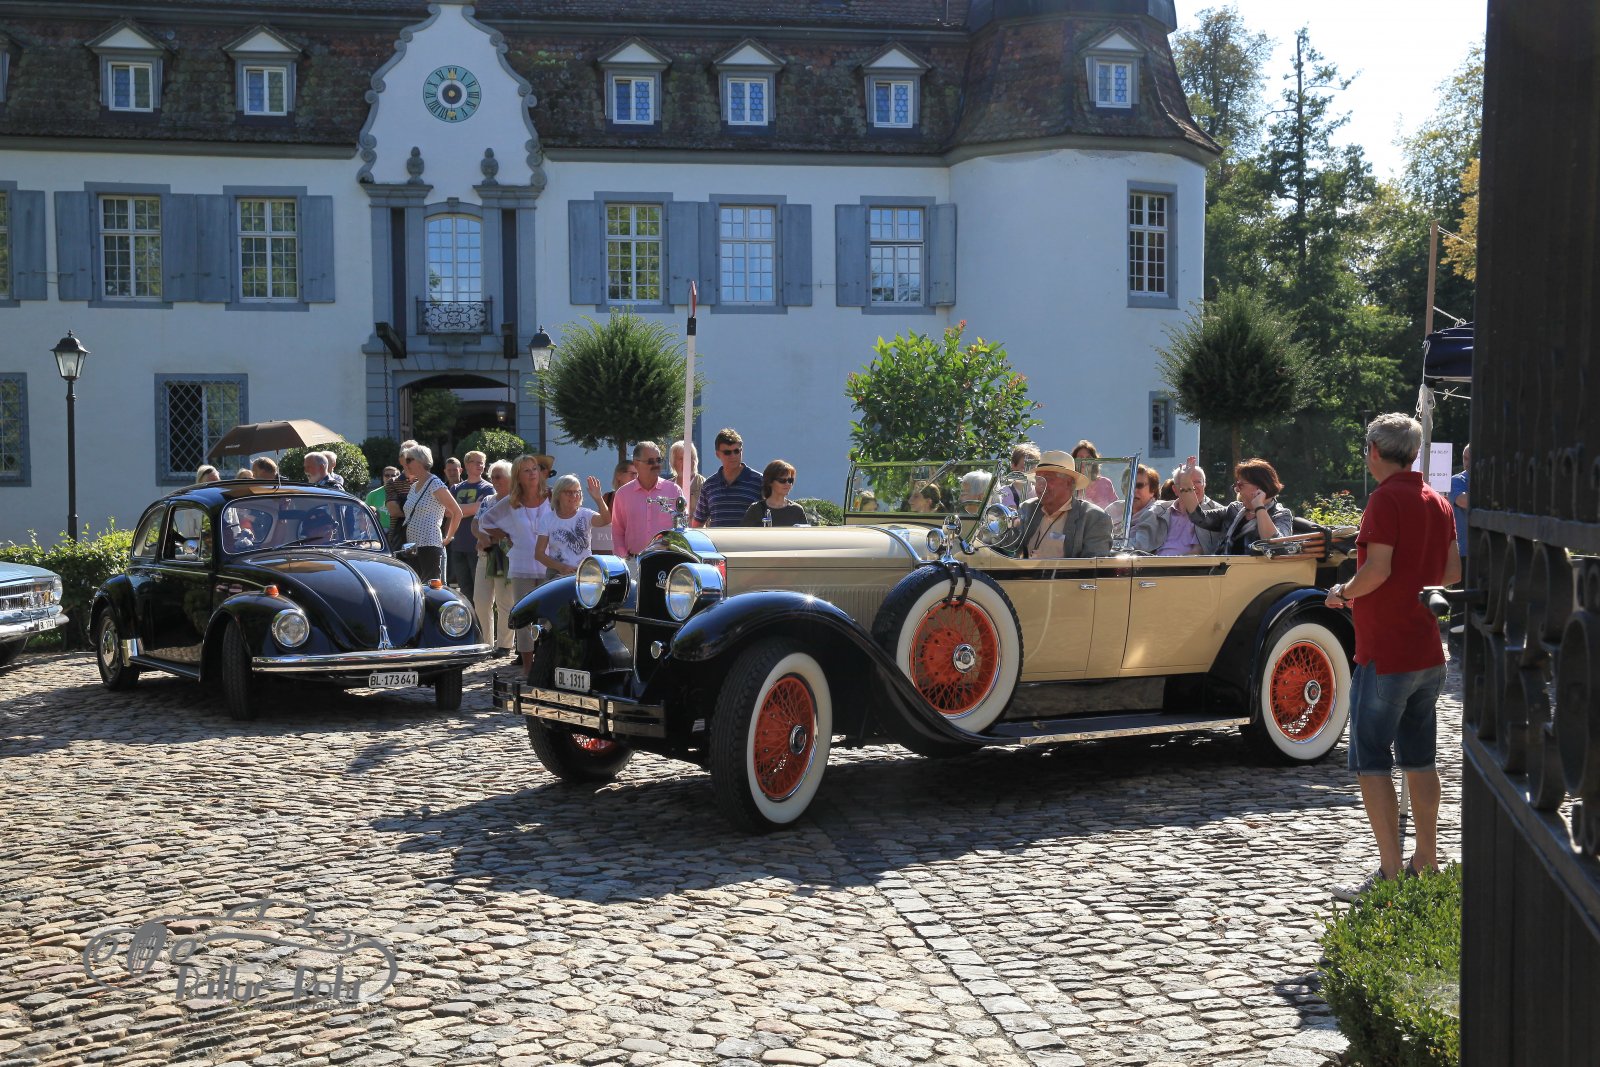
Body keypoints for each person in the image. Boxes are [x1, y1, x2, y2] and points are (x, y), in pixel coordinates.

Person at [1330, 413, 1461, 902]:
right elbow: (1452, 572)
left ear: (1374, 451)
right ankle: (1426, 860)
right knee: (1420, 759)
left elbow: (1377, 570)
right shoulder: (1437, 500)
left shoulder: (1384, 499)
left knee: (1371, 760)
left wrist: (1343, 592)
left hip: (1385, 651)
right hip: (1427, 649)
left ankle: (1389, 873)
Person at [478, 454, 555, 669]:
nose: (532, 473)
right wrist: (505, 535)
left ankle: (546, 662)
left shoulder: (551, 496)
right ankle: (528, 667)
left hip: (548, 564)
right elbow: (485, 521)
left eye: (534, 469)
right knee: (524, 617)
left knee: (548, 617)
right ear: (518, 476)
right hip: (521, 565)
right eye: (526, 470)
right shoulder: (512, 502)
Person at [1181, 458, 1294, 554]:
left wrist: (1259, 507)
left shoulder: (1281, 514)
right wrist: (1186, 483)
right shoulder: (1234, 509)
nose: (1237, 490)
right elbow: (1199, 517)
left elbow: (1277, 547)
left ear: (1259, 486)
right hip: (1223, 570)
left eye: (1240, 485)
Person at [1016, 451, 1112, 558]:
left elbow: (1093, 565)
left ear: (1069, 482)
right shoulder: (1027, 508)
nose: (1040, 485)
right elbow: (1010, 551)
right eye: (1038, 479)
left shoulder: (1094, 518)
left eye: (1048, 478)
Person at [398, 443, 462, 583]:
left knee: (431, 588)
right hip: (412, 546)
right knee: (416, 587)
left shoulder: (434, 483)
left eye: (409, 460)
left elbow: (457, 512)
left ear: (420, 460)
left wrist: (448, 537)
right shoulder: (414, 486)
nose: (406, 464)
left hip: (429, 544)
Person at [472, 460, 516, 655]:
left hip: (505, 557)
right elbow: (475, 524)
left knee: (504, 601)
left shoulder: (515, 502)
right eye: (492, 477)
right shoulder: (487, 500)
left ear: (510, 478)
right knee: (480, 600)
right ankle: (486, 643)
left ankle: (504, 645)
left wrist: (490, 539)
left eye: (498, 477)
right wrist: (482, 538)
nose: (494, 481)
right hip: (485, 555)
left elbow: (513, 531)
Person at [612, 441, 685, 558]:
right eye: (650, 461)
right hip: (633, 560)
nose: (656, 464)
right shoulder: (623, 494)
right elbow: (617, 531)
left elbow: (682, 528)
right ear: (636, 464)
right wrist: (624, 558)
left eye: (658, 460)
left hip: (667, 559)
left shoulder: (674, 491)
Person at [534, 474, 613, 576]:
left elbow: (606, 520)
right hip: (557, 573)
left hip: (585, 572)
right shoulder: (547, 519)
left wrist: (598, 498)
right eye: (568, 492)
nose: (574, 496)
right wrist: (561, 567)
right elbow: (539, 554)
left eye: (577, 492)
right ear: (558, 494)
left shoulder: (586, 514)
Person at [693, 428, 763, 528]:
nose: (733, 456)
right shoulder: (709, 485)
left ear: (741, 451)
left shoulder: (759, 481)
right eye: (727, 452)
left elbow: (773, 513)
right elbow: (698, 523)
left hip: (749, 538)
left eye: (736, 451)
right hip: (718, 538)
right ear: (717, 454)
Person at [448, 450, 493, 603]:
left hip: (477, 547)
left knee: (481, 592)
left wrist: (457, 510)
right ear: (467, 464)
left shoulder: (488, 488)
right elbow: (447, 512)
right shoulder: (455, 488)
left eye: (482, 463)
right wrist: (473, 507)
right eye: (477, 462)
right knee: (465, 591)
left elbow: (481, 509)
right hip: (458, 546)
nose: (481, 465)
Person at [1116, 465, 1166, 553]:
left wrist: (1107, 543)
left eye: (1139, 485)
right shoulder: (1115, 508)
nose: (1133, 490)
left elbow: (1140, 546)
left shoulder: (1154, 512)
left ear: (1152, 491)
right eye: (1128, 485)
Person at [741, 460, 805, 526]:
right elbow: (744, 532)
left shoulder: (797, 510)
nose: (788, 484)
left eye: (790, 480)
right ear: (770, 482)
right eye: (782, 480)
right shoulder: (755, 509)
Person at [591, 460, 635, 553]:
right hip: (609, 551)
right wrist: (598, 499)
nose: (635, 477)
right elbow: (601, 524)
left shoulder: (642, 499)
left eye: (638, 474)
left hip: (633, 551)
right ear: (619, 476)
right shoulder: (608, 497)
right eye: (632, 474)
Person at [384, 440, 418, 548]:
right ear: (400, 460)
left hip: (423, 536)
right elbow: (394, 511)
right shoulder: (393, 482)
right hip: (399, 537)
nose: (410, 459)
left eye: (414, 455)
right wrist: (421, 513)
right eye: (406, 455)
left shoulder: (427, 481)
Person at [1072, 440, 1119, 510]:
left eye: (1088, 458)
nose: (1084, 461)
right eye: (1080, 458)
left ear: (1094, 462)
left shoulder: (1105, 483)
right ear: (1074, 462)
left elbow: (1116, 509)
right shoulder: (1070, 485)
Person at [666, 440, 705, 519]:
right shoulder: (667, 487)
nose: (686, 462)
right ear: (673, 463)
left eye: (690, 458)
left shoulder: (704, 485)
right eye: (681, 459)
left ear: (695, 460)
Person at [1000, 442, 1040, 509]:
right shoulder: (1004, 492)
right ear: (1013, 465)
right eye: (1024, 468)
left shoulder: (1039, 493)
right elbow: (1013, 512)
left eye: (1032, 468)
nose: (1029, 472)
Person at [1451, 444, 1470, 563]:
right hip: (1463, 552)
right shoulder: (1457, 480)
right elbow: (1463, 501)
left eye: (1472, 458)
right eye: (1465, 458)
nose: (1467, 463)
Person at [367, 467, 396, 531]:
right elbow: (364, 516)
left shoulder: (402, 494)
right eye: (387, 475)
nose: (390, 478)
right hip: (380, 531)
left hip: (398, 530)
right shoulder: (373, 494)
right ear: (383, 477)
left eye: (393, 475)